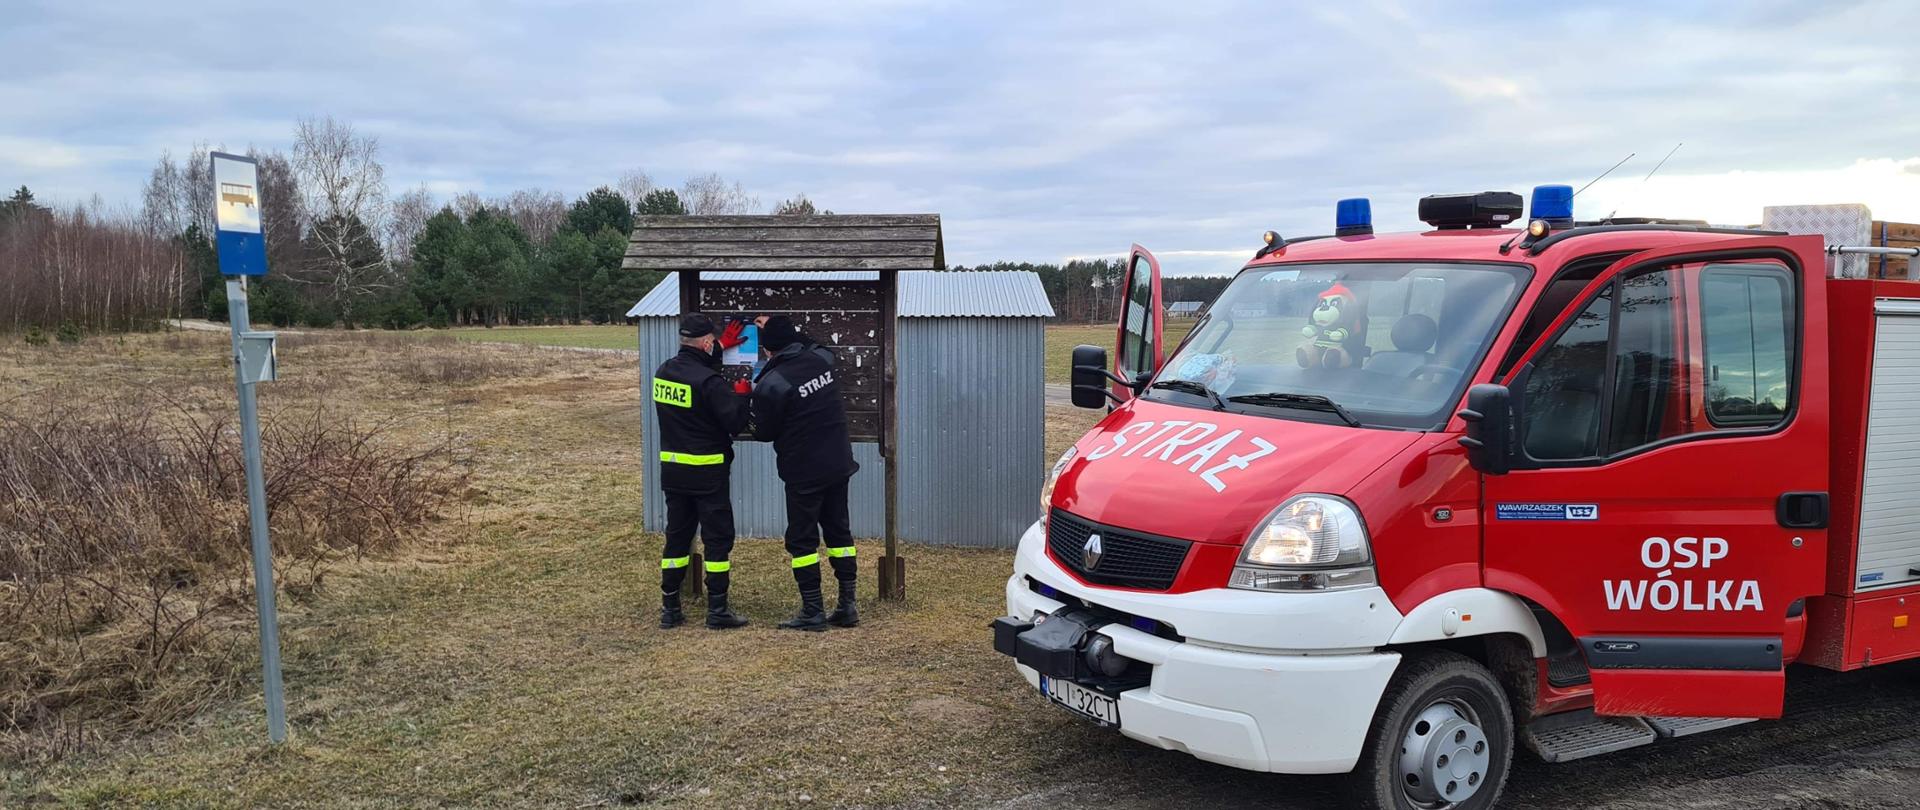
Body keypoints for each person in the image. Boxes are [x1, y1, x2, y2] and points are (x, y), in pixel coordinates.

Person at [750, 315, 861, 631]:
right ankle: (847, 606)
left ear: (768, 350)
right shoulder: (820, 360)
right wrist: (781, 329)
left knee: (802, 541)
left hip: (804, 470)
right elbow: (815, 345)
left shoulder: (772, 383)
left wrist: (747, 401)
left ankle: (812, 610)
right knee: (839, 533)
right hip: (838, 462)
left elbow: (763, 432)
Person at [651, 313, 752, 630]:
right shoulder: (711, 383)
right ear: (706, 342)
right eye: (713, 343)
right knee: (717, 539)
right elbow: (734, 422)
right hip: (708, 473)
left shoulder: (663, 372)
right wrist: (743, 395)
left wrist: (720, 347)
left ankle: (670, 608)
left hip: (674, 472)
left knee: (677, 538)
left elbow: (692, 374)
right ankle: (717, 610)